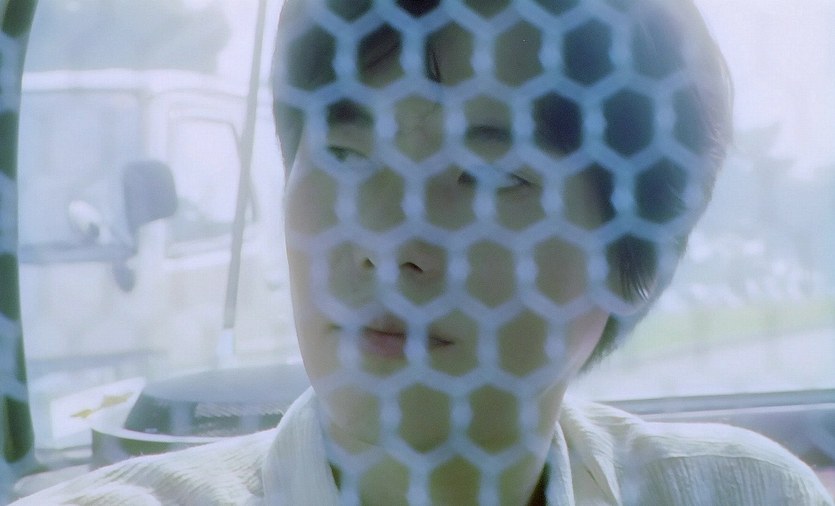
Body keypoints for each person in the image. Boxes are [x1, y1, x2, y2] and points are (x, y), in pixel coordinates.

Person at [12, 0, 834, 504]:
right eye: (344, 156)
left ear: (634, 258)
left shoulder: (742, 494)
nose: (387, 243)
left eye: (487, 176)